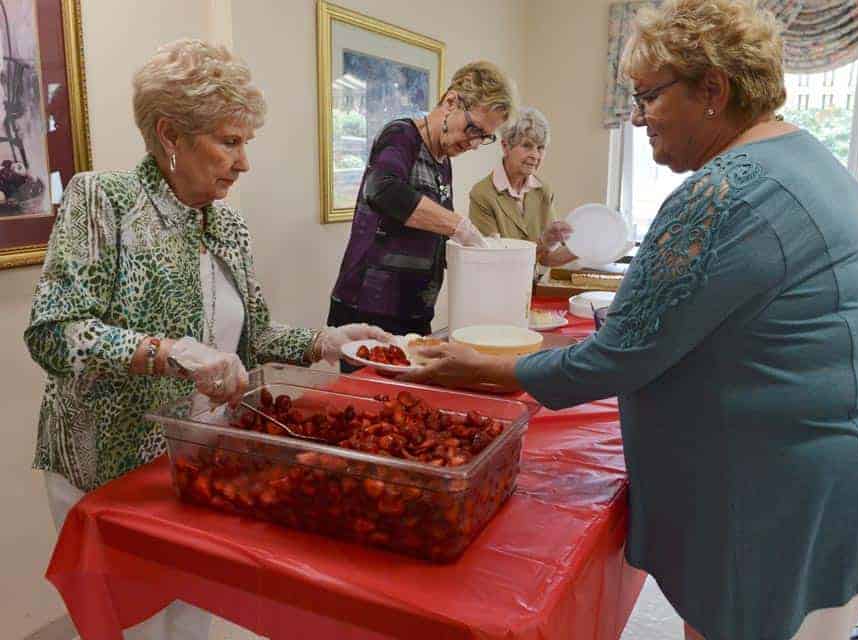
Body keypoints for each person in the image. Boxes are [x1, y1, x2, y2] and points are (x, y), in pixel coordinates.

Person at [403, 1, 858, 638]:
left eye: (646, 96)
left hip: (785, 499)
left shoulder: (725, 192)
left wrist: (480, 367)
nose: (638, 116)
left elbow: (617, 356)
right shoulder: (807, 160)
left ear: (712, 90)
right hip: (837, 478)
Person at [24, 38, 389, 639]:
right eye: (230, 141)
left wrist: (326, 342)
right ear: (171, 134)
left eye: (246, 142)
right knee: (137, 625)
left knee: (193, 620)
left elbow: (253, 337)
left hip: (195, 463)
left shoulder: (227, 224)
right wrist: (167, 353)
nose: (244, 162)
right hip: (110, 473)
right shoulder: (103, 202)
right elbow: (55, 334)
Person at [328, 61, 517, 338]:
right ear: (451, 101)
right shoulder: (401, 135)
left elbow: (433, 231)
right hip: (369, 310)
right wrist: (459, 225)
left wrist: (478, 250)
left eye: (484, 137)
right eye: (473, 129)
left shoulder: (443, 162)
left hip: (413, 313)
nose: (475, 143)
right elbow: (383, 190)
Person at [468, 107, 575, 267]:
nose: (535, 155)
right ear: (505, 146)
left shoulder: (543, 191)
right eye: (527, 146)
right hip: (493, 285)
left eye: (540, 148)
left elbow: (547, 258)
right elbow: (493, 260)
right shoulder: (482, 194)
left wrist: (586, 247)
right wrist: (543, 241)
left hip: (527, 287)